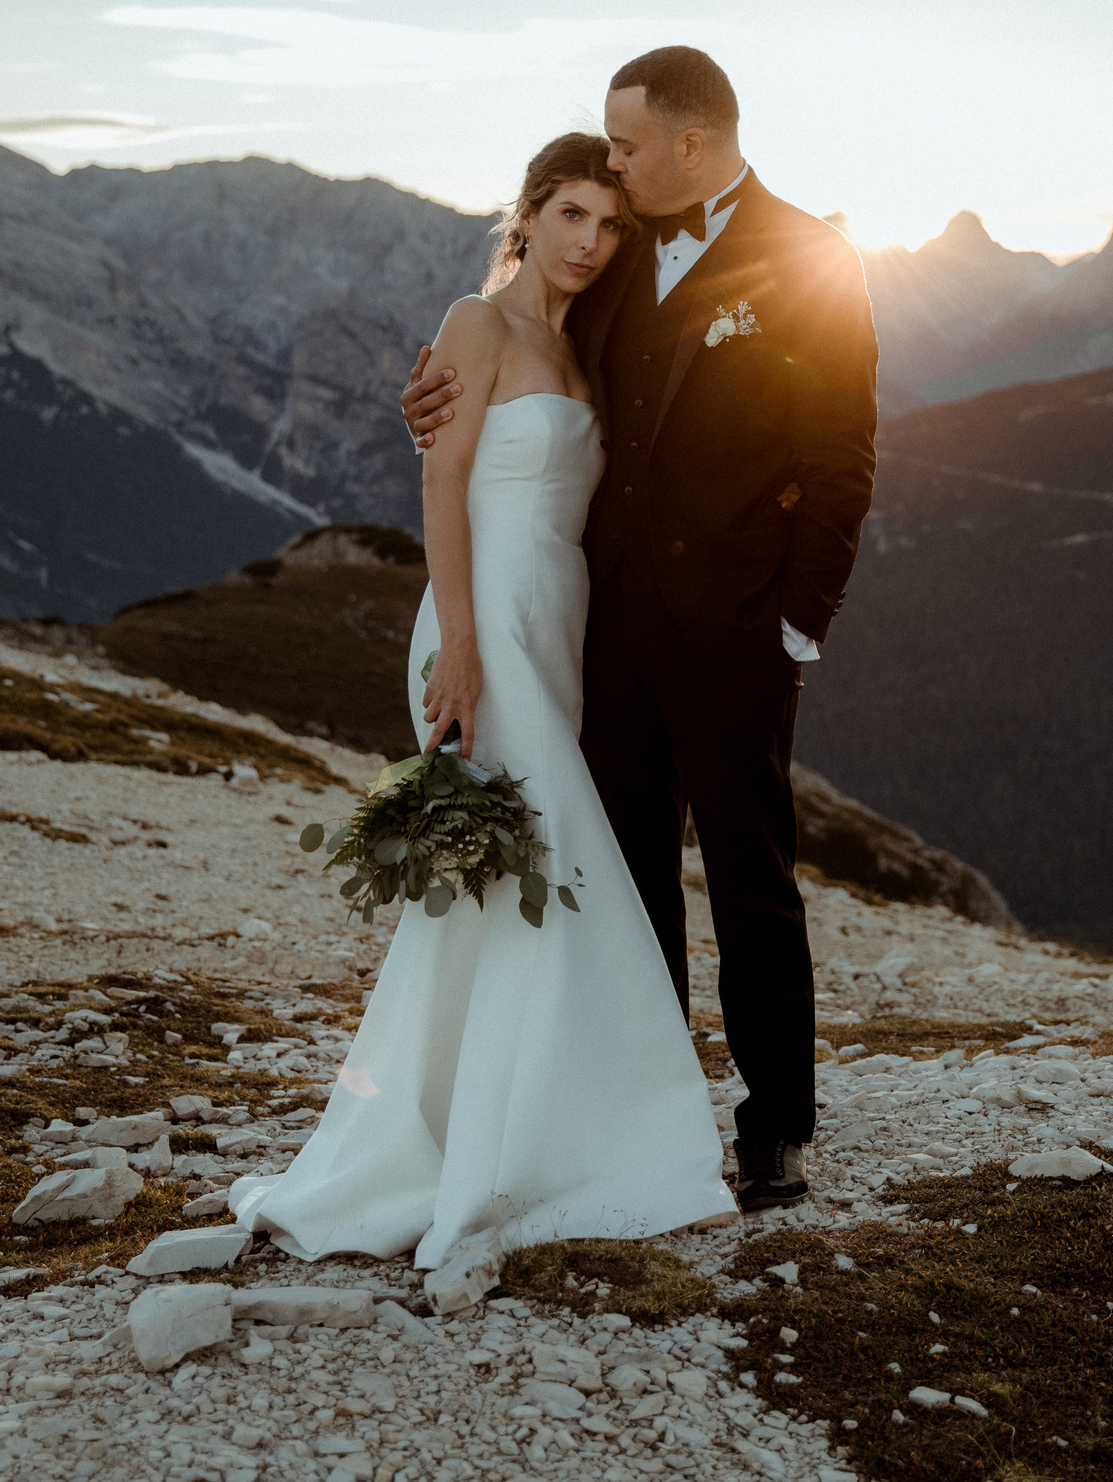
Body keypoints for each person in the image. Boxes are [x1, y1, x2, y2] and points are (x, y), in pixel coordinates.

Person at [230, 132, 739, 1267]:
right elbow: (442, 477)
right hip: (486, 620)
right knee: (546, 859)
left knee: (510, 874)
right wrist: (457, 646)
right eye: (570, 216)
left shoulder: (591, 341)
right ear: (529, 212)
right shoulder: (477, 321)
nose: (590, 243)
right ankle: (543, 1144)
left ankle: (508, 1118)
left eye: (609, 227)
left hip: (560, 621)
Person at [402, 48, 882, 1213]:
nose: (608, 166)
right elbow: (527, 351)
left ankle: (777, 1127)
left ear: (688, 144)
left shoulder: (814, 258)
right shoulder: (613, 255)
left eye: (624, 146)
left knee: (749, 876)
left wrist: (796, 625)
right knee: (625, 881)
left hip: (736, 635)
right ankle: (653, 1106)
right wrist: (427, 400)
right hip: (599, 632)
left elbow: (840, 457)